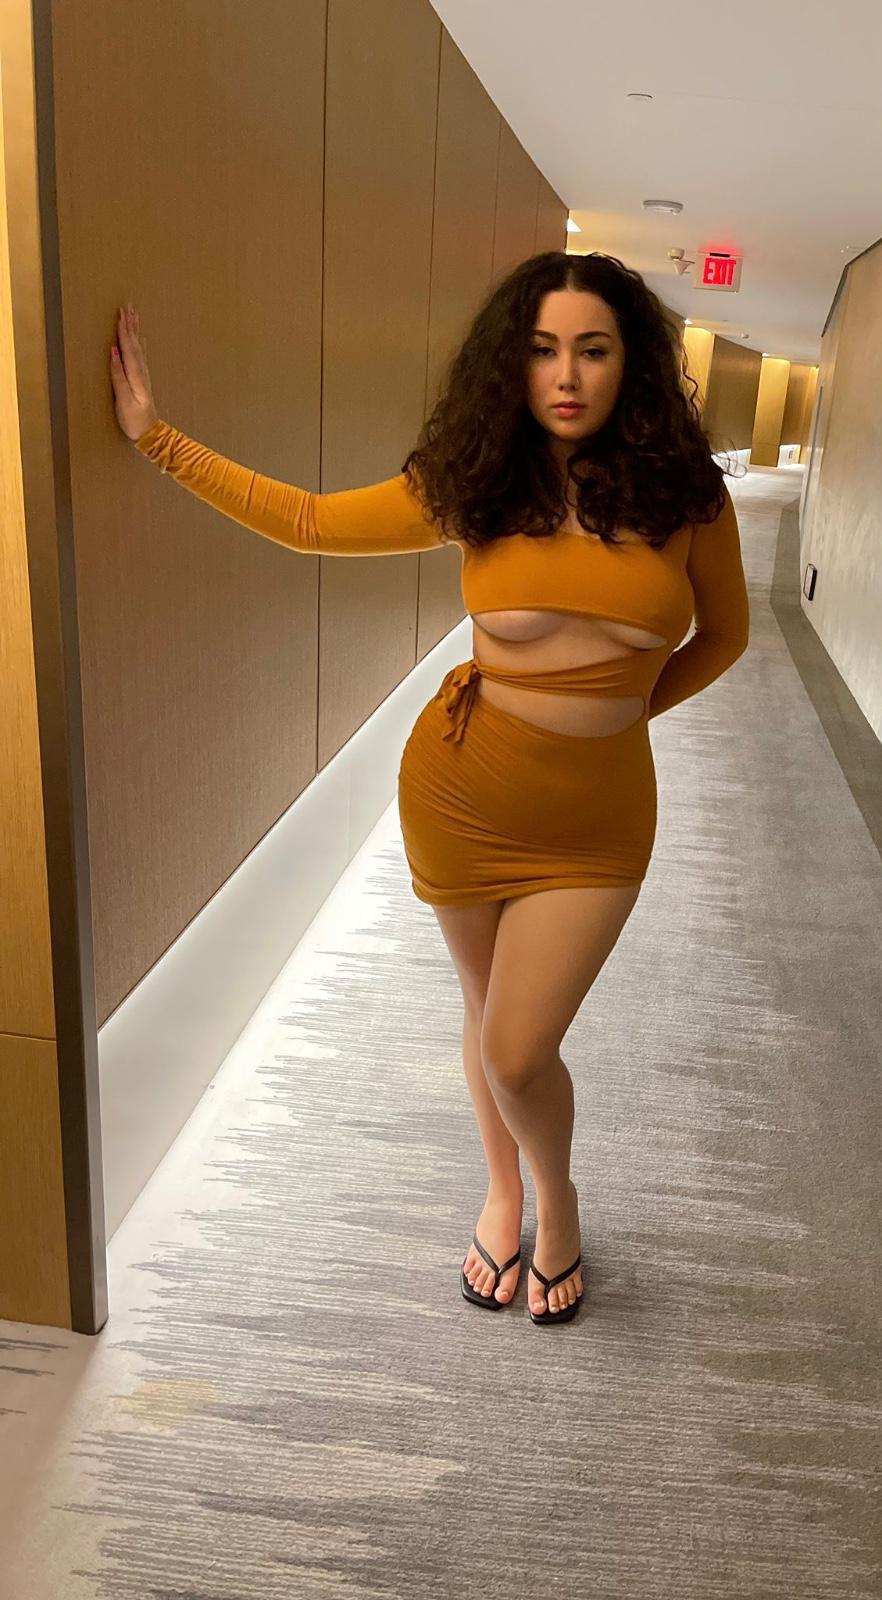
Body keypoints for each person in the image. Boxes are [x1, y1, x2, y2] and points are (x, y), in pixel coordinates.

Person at [110, 250, 750, 1327]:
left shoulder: (687, 497)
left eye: (593, 349)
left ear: (631, 362)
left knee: (519, 1047)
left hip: (597, 823)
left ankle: (558, 1199)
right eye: (542, 349)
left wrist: (621, 714)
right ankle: (503, 1193)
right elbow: (311, 520)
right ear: (513, 363)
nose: (567, 375)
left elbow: (724, 636)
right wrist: (155, 439)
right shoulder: (479, 483)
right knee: (486, 1014)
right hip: (463, 791)